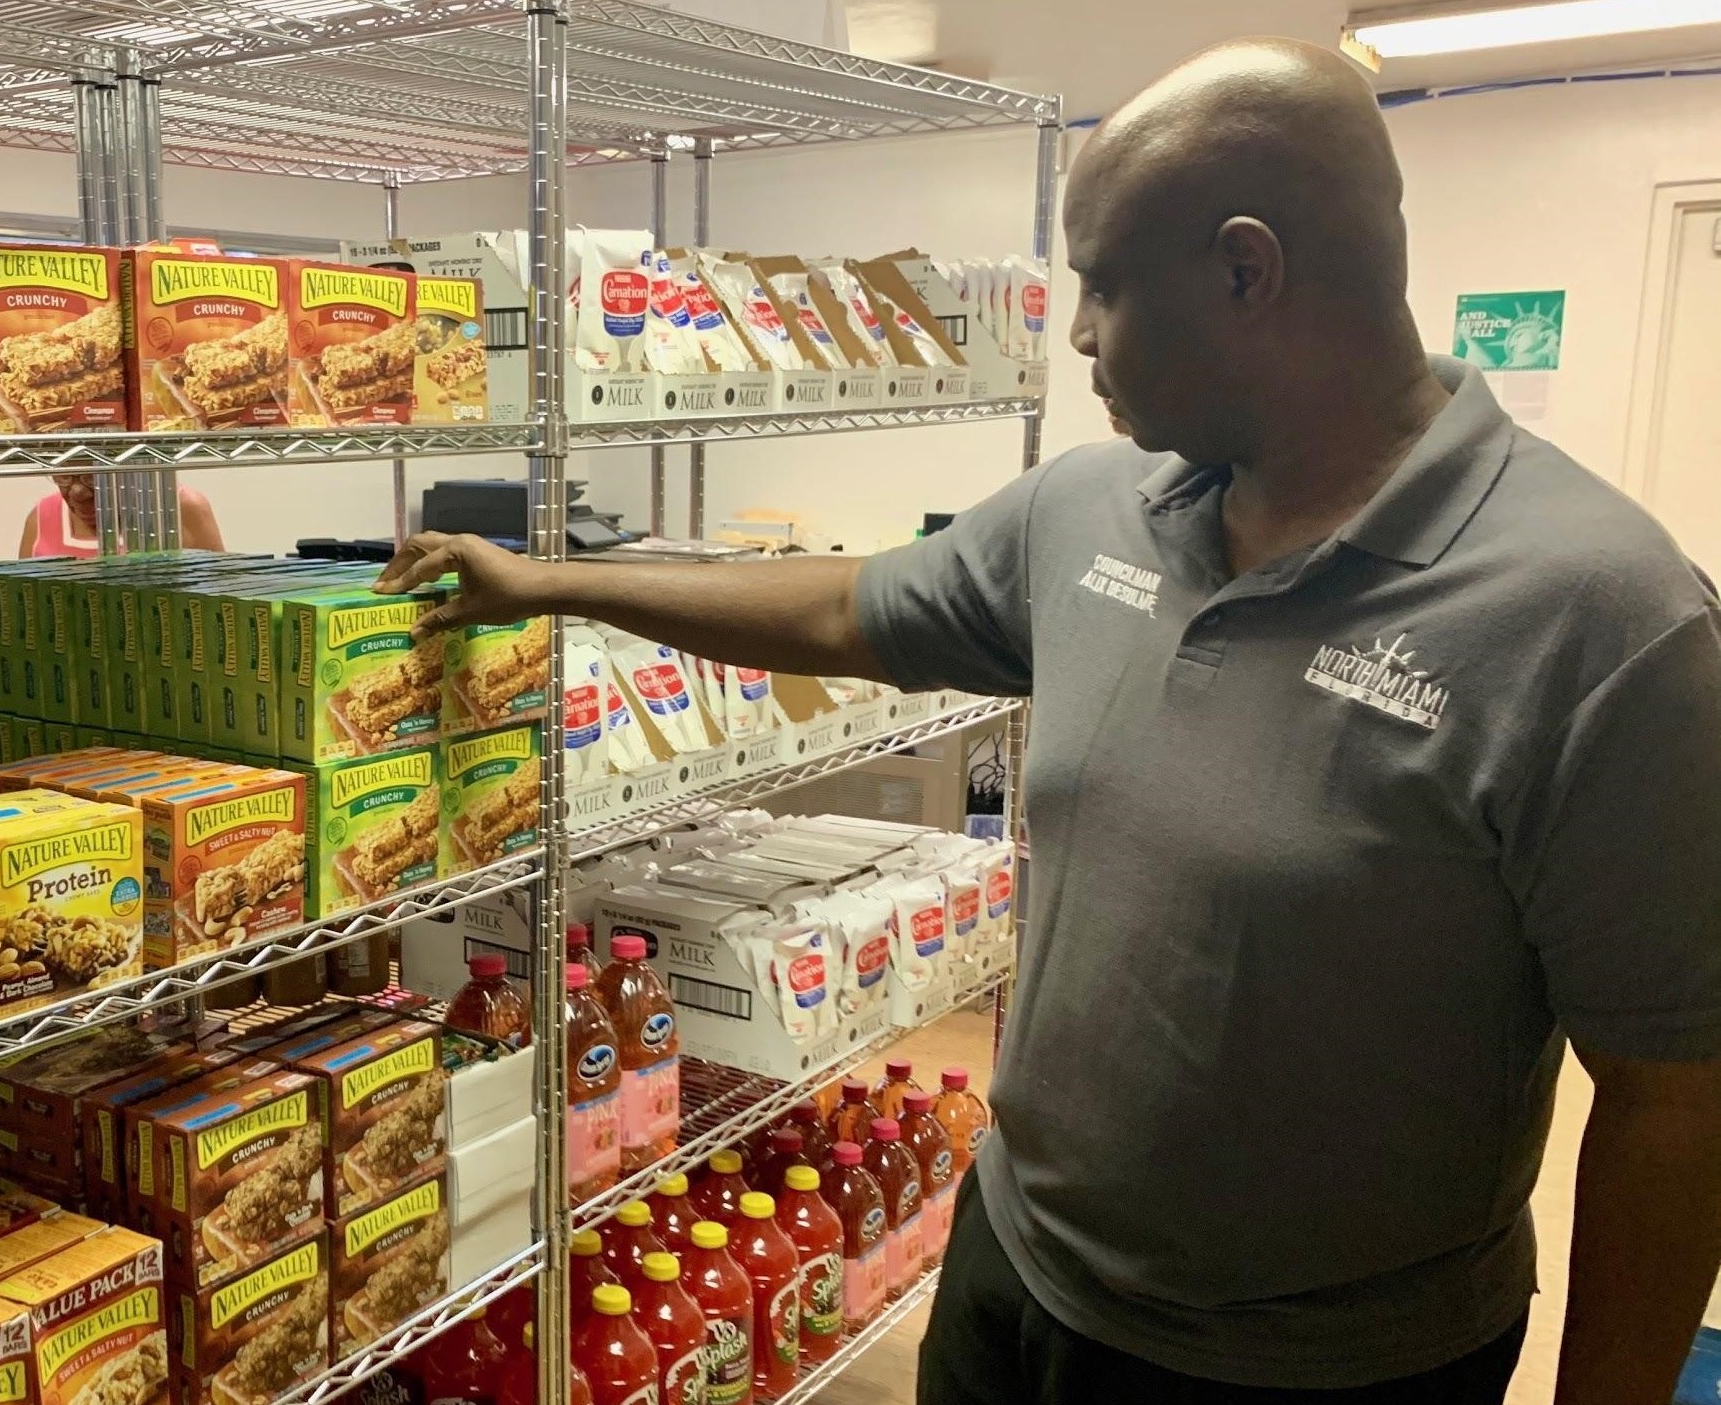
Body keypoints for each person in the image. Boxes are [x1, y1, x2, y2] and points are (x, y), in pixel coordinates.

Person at [377, 38, 1721, 1405]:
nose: (1074, 333)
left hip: (1315, 1369)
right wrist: (546, 584)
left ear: (1244, 271)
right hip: (1012, 1277)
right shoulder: (1092, 509)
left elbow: (1674, 1096)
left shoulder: (1598, 617)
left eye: (1099, 283)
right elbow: (846, 609)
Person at [18, 472, 224, 557]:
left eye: (92, 477)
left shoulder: (179, 508)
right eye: (64, 476)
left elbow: (219, 602)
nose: (78, 492)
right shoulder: (42, 517)